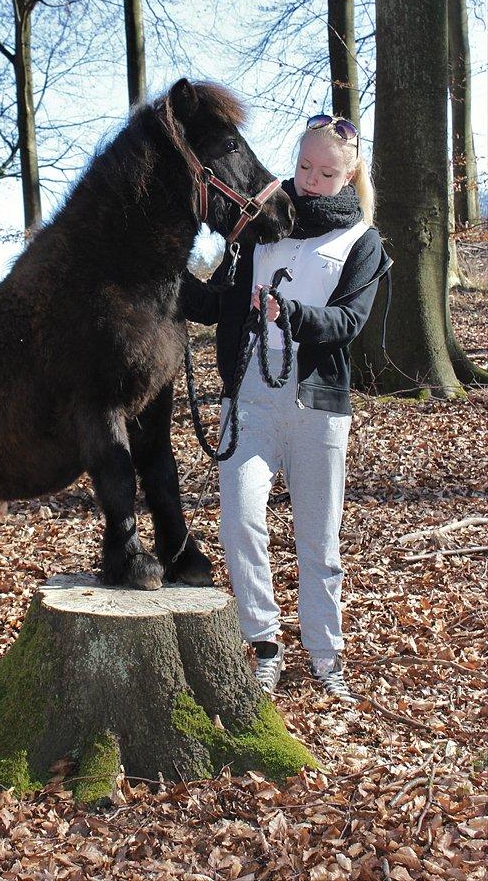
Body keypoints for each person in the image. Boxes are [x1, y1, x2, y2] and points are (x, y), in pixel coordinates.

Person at [181, 113, 391, 702]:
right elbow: (219, 301)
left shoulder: (362, 241)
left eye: (326, 173)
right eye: (303, 167)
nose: (310, 180)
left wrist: (288, 315)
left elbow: (349, 322)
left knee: (318, 538)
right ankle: (266, 645)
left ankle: (326, 657)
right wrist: (163, 279)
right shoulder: (261, 223)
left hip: (318, 408)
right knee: (240, 521)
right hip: (248, 399)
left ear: (347, 178)